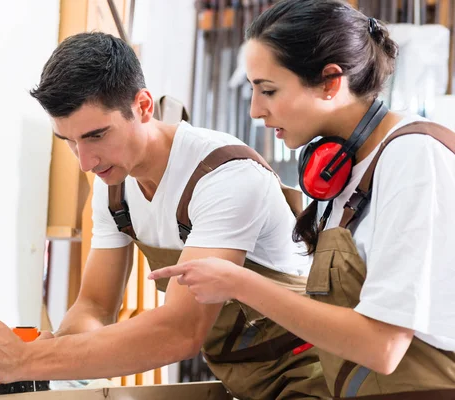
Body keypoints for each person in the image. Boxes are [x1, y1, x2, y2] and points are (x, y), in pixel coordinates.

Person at [0, 32, 331, 399]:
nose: (85, 162)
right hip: (244, 381)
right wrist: (60, 367)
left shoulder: (225, 176)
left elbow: (181, 331)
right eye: (69, 141)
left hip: (315, 377)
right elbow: (94, 306)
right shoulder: (112, 187)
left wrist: (27, 359)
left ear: (143, 106)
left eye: (96, 135)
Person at [149, 0, 455, 398]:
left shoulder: (413, 157)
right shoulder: (342, 171)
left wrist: (241, 284)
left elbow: (382, 346)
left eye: (269, 90)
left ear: (330, 82)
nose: (257, 110)